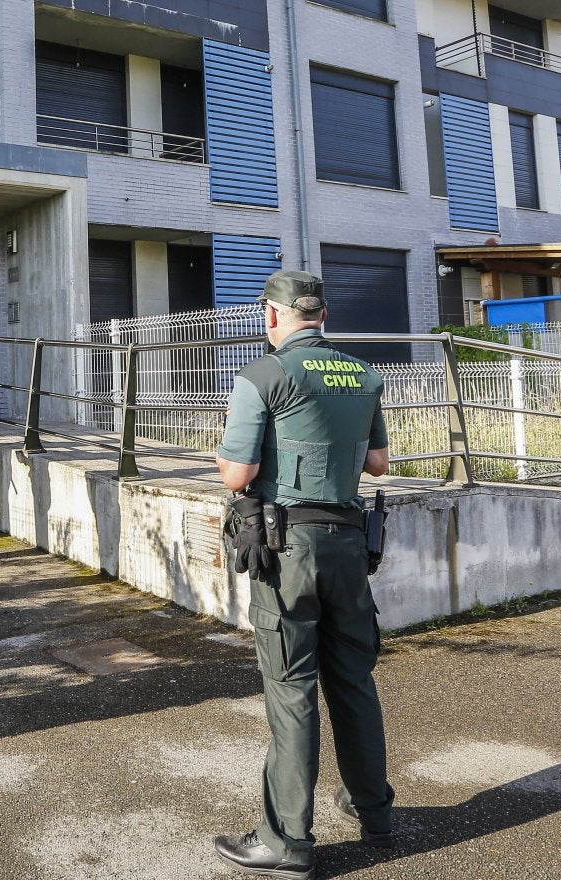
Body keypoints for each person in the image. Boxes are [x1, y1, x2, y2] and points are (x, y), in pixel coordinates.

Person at [211, 271, 394, 877]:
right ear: (323, 313)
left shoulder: (263, 375)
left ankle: (287, 841)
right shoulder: (364, 374)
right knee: (354, 680)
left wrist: (224, 455)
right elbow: (378, 464)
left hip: (290, 549)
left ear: (272, 316)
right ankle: (373, 810)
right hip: (348, 542)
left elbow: (238, 474)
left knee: (292, 689)